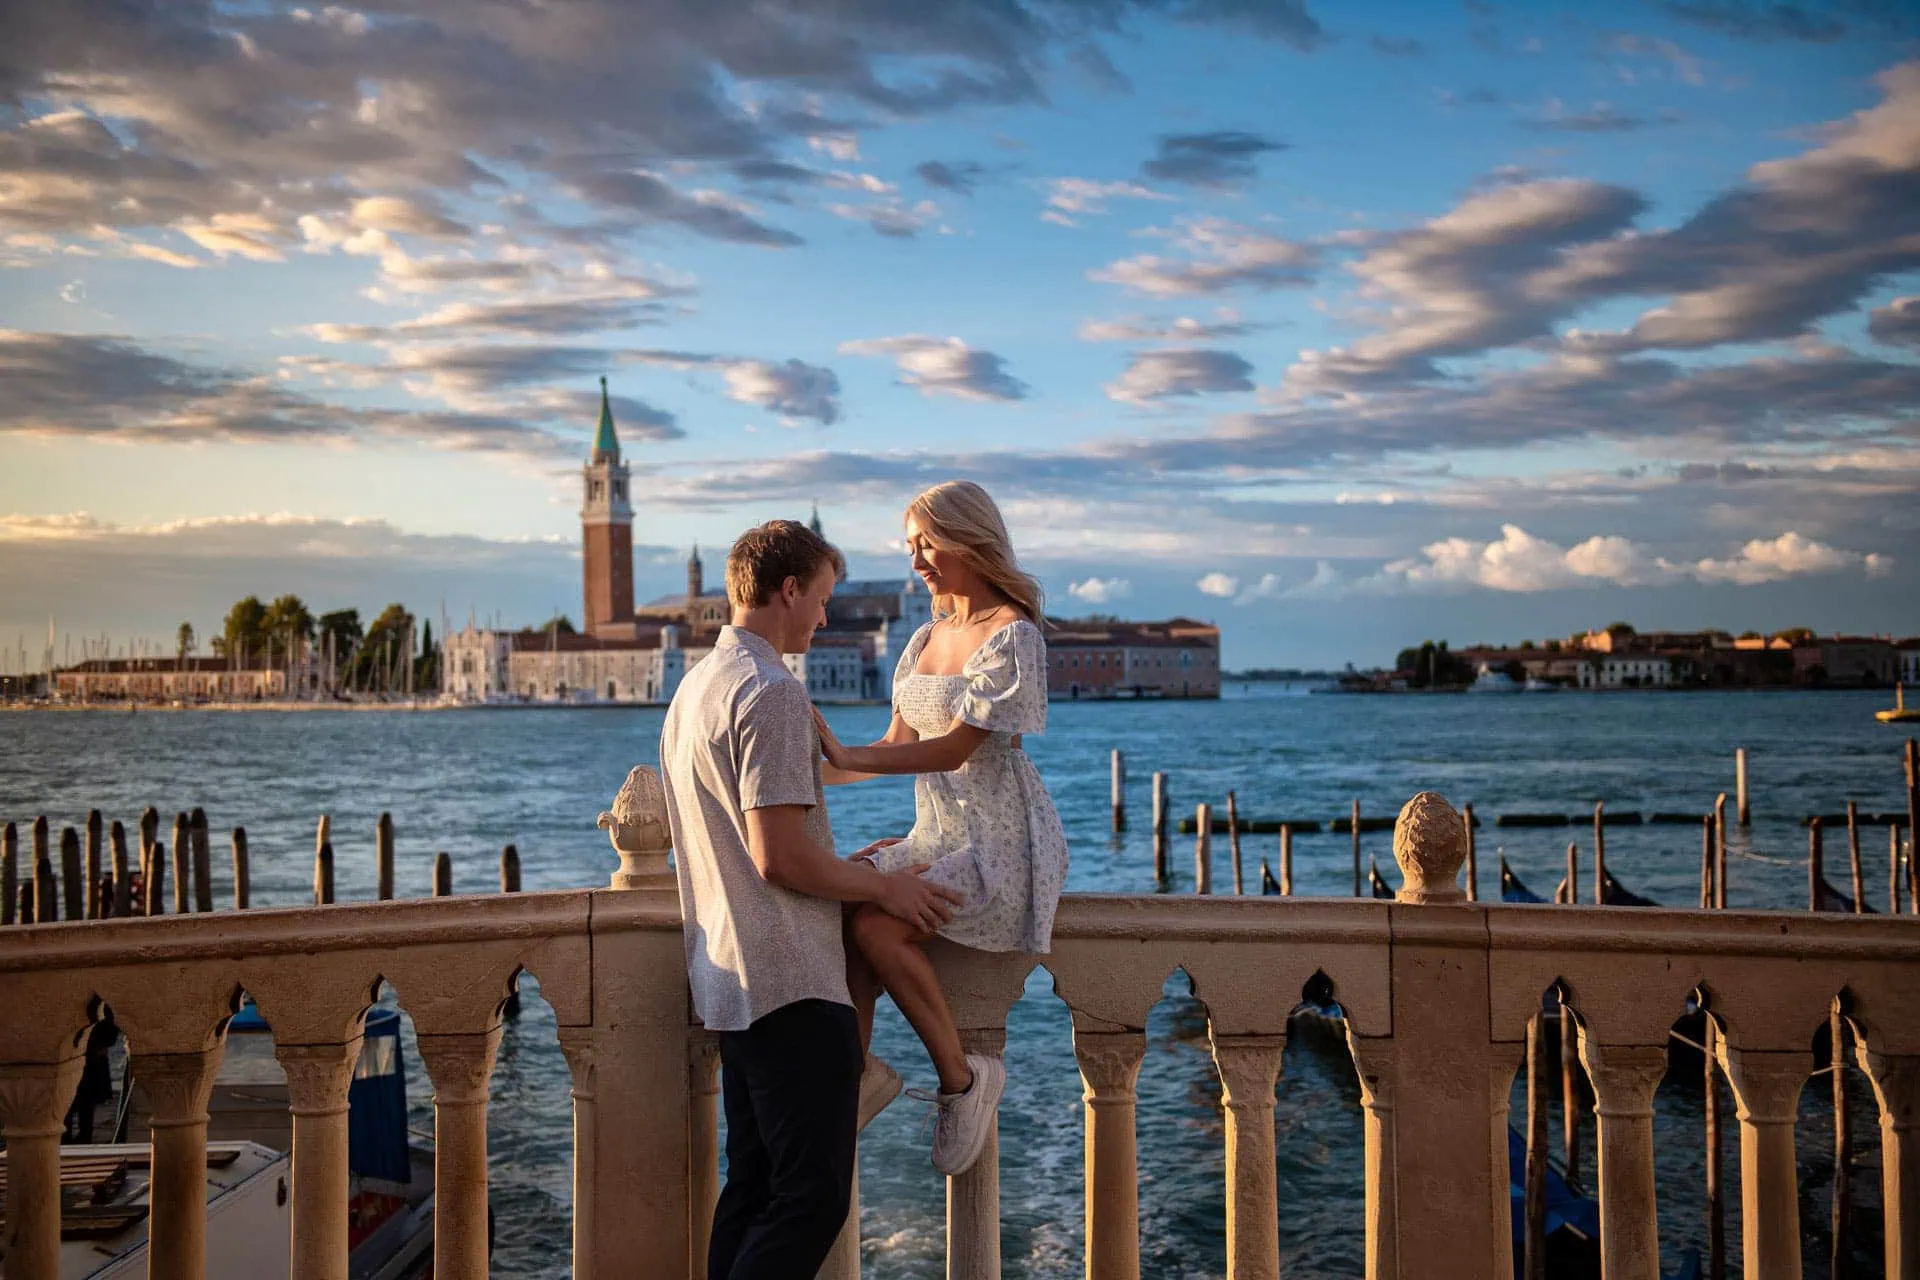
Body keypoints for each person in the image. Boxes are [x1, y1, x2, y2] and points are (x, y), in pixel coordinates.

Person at [659, 518, 962, 1280]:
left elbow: (751, 844)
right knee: (812, 1199)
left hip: (730, 984)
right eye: (822, 599)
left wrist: (838, 867)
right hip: (791, 982)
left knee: (754, 1188)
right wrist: (885, 886)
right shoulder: (771, 692)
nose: (826, 618)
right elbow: (779, 857)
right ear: (788, 590)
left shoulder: (694, 690)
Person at [812, 479, 1069, 1179]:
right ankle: (856, 1073)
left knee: (876, 927)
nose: (916, 560)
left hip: (1001, 843)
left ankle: (962, 1081)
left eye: (928, 544)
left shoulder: (1012, 634)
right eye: (911, 546)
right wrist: (800, 773)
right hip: (938, 834)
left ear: (969, 538)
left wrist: (846, 754)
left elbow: (954, 749)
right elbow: (895, 746)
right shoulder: (925, 637)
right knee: (841, 904)